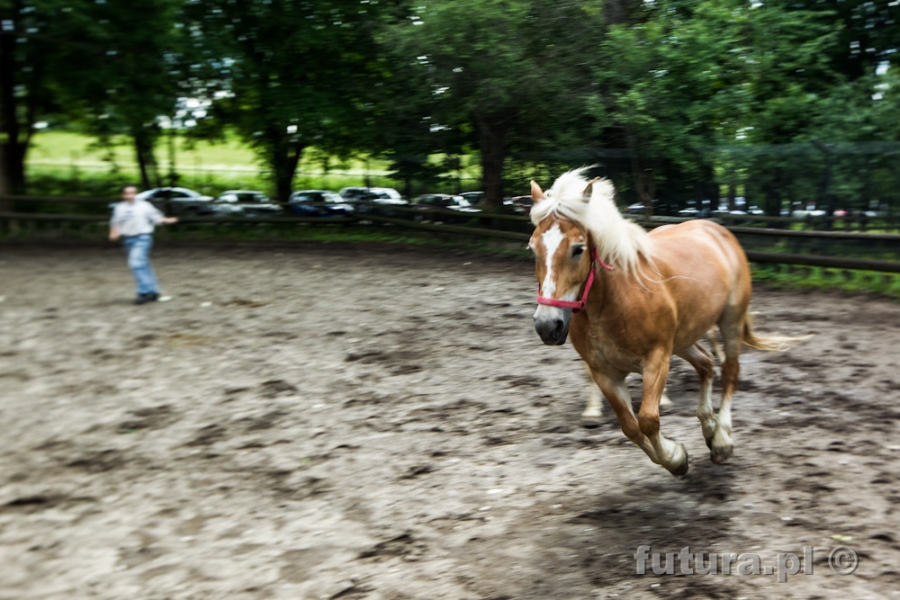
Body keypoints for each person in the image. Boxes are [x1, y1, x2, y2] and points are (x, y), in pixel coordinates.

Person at [108, 184, 178, 304]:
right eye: (127, 193)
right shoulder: (119, 208)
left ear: (136, 193)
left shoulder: (144, 205)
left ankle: (144, 292)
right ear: (123, 195)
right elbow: (115, 222)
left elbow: (155, 217)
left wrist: (165, 220)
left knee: (135, 263)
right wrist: (114, 233)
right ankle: (154, 291)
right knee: (143, 264)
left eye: (132, 193)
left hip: (142, 237)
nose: (130, 196)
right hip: (127, 239)